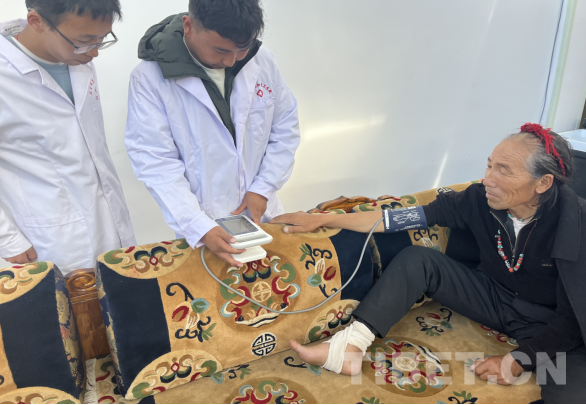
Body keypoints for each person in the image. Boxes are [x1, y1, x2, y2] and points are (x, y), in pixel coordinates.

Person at [271, 124, 586, 404]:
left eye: (504, 171)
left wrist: (519, 360)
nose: (488, 179)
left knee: (573, 396)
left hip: (549, 323)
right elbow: (399, 219)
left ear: (542, 183)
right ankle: (351, 346)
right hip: (492, 296)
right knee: (419, 260)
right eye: (490, 165)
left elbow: (573, 320)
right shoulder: (478, 199)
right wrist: (323, 219)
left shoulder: (577, 224)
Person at [125, 0, 300, 268]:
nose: (230, 60)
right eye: (220, 50)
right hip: (203, 224)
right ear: (188, 26)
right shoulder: (150, 78)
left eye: (242, 49)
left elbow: (285, 128)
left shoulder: (262, 60)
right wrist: (197, 225)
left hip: (262, 214)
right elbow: (155, 162)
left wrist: (263, 188)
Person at [0, 0, 135, 274]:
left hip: (111, 221)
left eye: (101, 40)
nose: (94, 53)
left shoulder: (77, 59)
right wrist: (7, 238)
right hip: (49, 237)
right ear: (37, 22)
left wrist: (81, 45)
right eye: (84, 41)